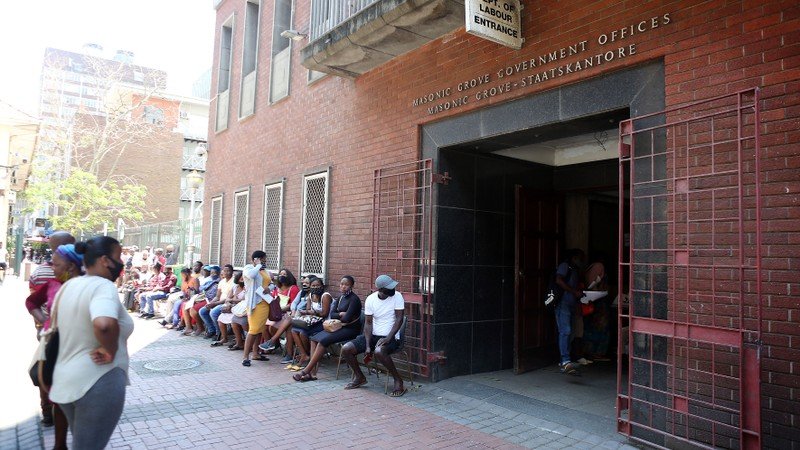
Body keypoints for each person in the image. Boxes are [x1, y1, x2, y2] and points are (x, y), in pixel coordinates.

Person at [49, 236, 133, 450]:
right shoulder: (103, 286)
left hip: (65, 379)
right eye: (118, 256)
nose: (121, 262)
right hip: (97, 380)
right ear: (105, 260)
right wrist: (109, 349)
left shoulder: (68, 287)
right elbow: (103, 324)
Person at [25, 244, 83, 450]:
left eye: (56, 264)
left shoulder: (87, 286)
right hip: (55, 343)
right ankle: (59, 444)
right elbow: (31, 302)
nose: (52, 267)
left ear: (70, 266)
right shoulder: (52, 284)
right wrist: (43, 322)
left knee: (77, 398)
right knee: (55, 392)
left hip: (79, 348)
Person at [341, 274, 406, 396]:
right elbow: (368, 323)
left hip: (391, 337)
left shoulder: (397, 296)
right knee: (346, 349)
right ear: (380, 290)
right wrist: (367, 345)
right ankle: (360, 377)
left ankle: (398, 380)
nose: (393, 289)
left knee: (379, 351)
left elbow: (399, 319)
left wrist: (388, 338)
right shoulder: (371, 299)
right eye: (390, 288)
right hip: (373, 336)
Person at [294, 276, 362, 382]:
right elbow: (333, 314)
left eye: (346, 284)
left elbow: (347, 318)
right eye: (342, 284)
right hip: (337, 326)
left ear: (352, 286)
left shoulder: (354, 299)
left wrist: (338, 315)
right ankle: (312, 373)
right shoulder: (341, 298)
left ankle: (306, 371)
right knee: (313, 338)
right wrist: (340, 314)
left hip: (350, 329)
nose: (343, 287)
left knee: (323, 341)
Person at [289, 277, 332, 371]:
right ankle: (304, 354)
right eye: (313, 286)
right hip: (313, 321)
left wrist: (312, 312)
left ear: (322, 286)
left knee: (303, 333)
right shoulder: (310, 296)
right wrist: (311, 312)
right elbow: (308, 310)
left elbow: (324, 313)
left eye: (318, 285)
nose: (315, 287)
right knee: (293, 330)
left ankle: (309, 355)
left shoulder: (325, 296)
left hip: (323, 323)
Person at [555, 248, 586, 375]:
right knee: (565, 331)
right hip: (563, 303)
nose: (581, 260)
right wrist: (574, 292)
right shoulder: (565, 266)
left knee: (569, 332)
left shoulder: (575, 270)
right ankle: (565, 361)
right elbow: (558, 280)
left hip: (571, 304)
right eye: (580, 257)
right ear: (573, 257)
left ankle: (566, 359)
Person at [241, 251, 272, 367]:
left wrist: (269, 288)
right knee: (253, 330)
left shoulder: (265, 271)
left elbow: (271, 283)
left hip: (265, 302)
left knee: (260, 329)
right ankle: (245, 357)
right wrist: (258, 265)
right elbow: (251, 276)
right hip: (255, 304)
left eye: (265, 260)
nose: (265, 262)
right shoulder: (248, 268)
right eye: (263, 260)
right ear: (256, 259)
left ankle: (255, 353)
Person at [259, 270, 300, 355]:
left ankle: (273, 343)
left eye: (284, 274)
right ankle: (270, 345)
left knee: (271, 327)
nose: (282, 276)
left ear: (289, 276)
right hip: (276, 312)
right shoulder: (276, 288)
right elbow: (273, 299)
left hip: (286, 313)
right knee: (262, 325)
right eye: (280, 274)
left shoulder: (293, 288)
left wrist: (281, 309)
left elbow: (293, 304)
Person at [202, 264, 235, 345]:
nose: (226, 273)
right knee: (202, 311)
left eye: (228, 271)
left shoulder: (234, 282)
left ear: (232, 272)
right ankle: (211, 330)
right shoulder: (221, 282)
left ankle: (219, 333)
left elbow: (228, 298)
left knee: (213, 313)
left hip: (228, 303)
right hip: (219, 302)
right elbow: (217, 296)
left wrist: (215, 304)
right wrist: (211, 303)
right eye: (225, 271)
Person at [183, 266, 220, 336]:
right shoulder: (210, 281)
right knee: (186, 305)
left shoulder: (218, 282)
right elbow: (202, 290)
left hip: (211, 300)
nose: (213, 274)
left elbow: (215, 295)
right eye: (211, 273)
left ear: (218, 273)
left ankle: (201, 328)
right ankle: (188, 327)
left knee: (193, 309)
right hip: (204, 298)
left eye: (214, 273)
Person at [227, 272, 248, 350]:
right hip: (236, 308)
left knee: (243, 322)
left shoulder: (247, 287)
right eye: (241, 279)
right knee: (234, 322)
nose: (243, 280)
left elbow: (245, 299)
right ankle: (239, 343)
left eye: (244, 279)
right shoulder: (235, 287)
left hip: (244, 309)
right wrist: (232, 301)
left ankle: (248, 342)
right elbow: (228, 298)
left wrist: (233, 300)